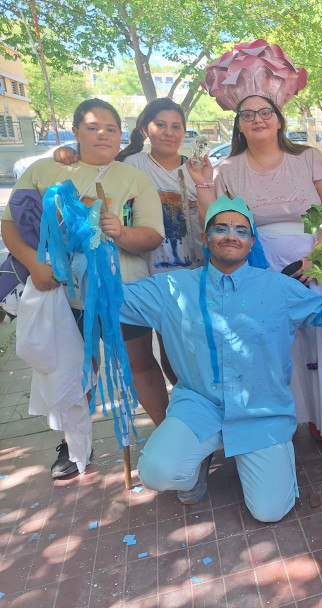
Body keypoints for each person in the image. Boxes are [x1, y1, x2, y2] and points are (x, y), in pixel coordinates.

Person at [125, 196, 322, 514]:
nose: (231, 235)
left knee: (269, 512)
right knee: (156, 472)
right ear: (205, 237)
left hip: (262, 412)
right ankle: (192, 474)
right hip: (199, 407)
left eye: (241, 230)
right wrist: (86, 245)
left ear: (251, 241)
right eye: (221, 228)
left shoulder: (278, 286)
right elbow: (111, 297)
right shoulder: (171, 287)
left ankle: (254, 458)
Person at [196, 40, 322, 440]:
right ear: (238, 124)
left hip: (313, 261)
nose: (257, 119)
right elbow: (217, 226)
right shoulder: (228, 169)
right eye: (247, 114)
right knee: (274, 346)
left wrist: (315, 260)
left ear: (278, 117)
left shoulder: (309, 158)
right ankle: (285, 420)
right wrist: (203, 182)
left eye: (265, 112)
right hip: (259, 269)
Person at [0, 98, 164, 477]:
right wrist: (33, 262)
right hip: (64, 295)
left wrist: (121, 232)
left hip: (124, 293)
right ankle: (73, 446)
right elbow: (10, 224)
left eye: (111, 128)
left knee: (139, 364)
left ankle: (168, 431)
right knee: (76, 369)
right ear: (75, 131)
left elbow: (152, 235)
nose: (102, 134)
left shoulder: (133, 178)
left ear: (121, 135)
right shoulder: (47, 170)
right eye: (92, 127)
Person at [53, 97, 208, 412]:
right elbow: (93, 163)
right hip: (143, 274)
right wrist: (67, 153)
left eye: (176, 126)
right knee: (134, 357)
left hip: (191, 275)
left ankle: (190, 421)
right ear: (144, 129)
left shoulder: (197, 168)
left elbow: (212, 218)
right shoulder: (131, 163)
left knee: (179, 356)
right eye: (160, 125)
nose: (169, 132)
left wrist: (206, 184)